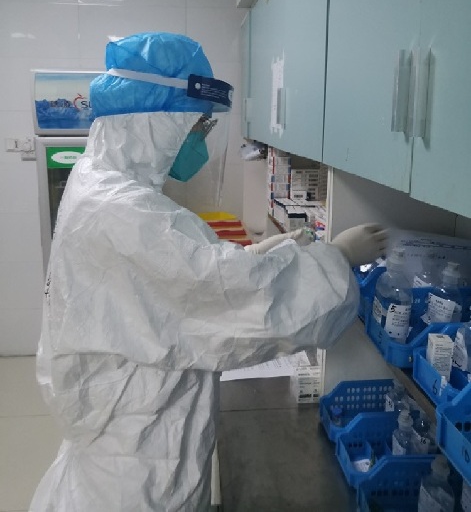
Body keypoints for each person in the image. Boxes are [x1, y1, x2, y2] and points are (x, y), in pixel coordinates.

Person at [30, 32, 387, 511]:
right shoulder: (125, 215)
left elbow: (186, 286)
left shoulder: (102, 183)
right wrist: (337, 259)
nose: (201, 139)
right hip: (139, 467)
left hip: (122, 433)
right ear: (157, 123)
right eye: (198, 125)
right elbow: (237, 299)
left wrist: (258, 256)